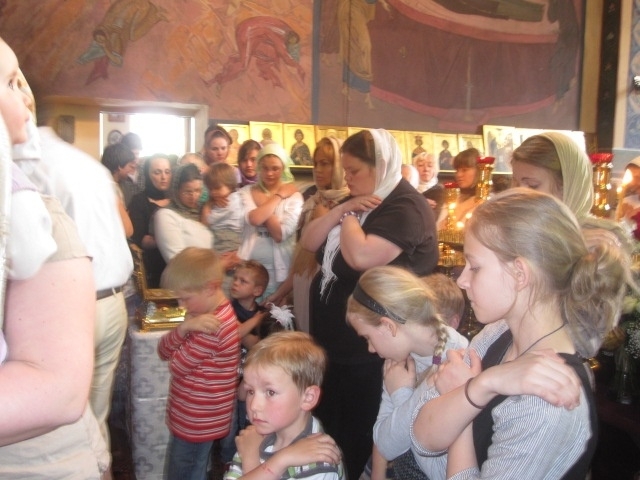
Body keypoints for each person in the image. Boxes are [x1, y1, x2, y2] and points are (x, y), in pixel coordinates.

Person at [411, 188, 632, 479]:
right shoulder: (498, 333)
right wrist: (482, 384)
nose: (462, 280)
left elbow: (432, 430)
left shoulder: (547, 403)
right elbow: (421, 436)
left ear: (520, 273)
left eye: (474, 267)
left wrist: (461, 404)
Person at [300, 128, 439, 479]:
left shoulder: (405, 206)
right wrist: (343, 208)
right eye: (345, 170)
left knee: (356, 430)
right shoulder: (361, 199)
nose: (347, 178)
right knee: (330, 423)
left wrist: (347, 216)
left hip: (369, 346)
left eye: (354, 171)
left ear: (381, 165)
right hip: (337, 342)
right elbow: (309, 240)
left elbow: (361, 257)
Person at [0, 38, 108, 477]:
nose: (25, 96)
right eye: (12, 82)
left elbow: (57, 390)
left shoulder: (26, 202)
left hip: (33, 460)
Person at [347, 266, 468, 480]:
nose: (370, 349)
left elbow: (440, 469)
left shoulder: (457, 362)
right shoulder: (398, 361)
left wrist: (401, 394)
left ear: (388, 326)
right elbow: (383, 442)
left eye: (368, 338)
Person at [158, 247, 240, 480]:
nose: (182, 305)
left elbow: (175, 366)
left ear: (210, 288)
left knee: (185, 471)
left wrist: (185, 328)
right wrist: (184, 328)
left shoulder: (213, 326)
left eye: (185, 298)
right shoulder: (202, 316)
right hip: (193, 415)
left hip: (198, 420)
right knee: (191, 467)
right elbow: (163, 351)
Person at [224, 331, 345, 480]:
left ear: (308, 398)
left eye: (270, 392)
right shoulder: (256, 435)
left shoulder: (319, 463)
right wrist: (281, 459)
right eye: (250, 391)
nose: (254, 406)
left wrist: (252, 459)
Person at [264, 136, 349, 333]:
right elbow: (301, 259)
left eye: (325, 163)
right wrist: (282, 291)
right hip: (304, 285)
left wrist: (323, 221)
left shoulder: (349, 205)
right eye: (316, 164)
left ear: (340, 166)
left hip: (330, 291)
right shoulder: (313, 202)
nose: (318, 170)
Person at [510, 132, 632, 250]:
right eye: (515, 182)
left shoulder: (602, 239)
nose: (518, 193)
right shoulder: (510, 227)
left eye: (532, 185)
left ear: (567, 187)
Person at [217, 260, 271, 471]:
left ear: (257, 290)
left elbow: (259, 345)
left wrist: (252, 324)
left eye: (243, 281)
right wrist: (254, 322)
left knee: (249, 419)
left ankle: (251, 458)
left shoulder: (263, 314)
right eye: (235, 279)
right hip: (227, 379)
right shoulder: (226, 309)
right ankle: (227, 461)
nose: (235, 283)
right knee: (229, 426)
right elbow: (236, 334)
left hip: (252, 381)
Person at [237, 143, 303, 299]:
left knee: (273, 310)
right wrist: (277, 197)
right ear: (258, 167)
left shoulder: (294, 196)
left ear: (283, 168)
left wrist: (264, 202)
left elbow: (280, 234)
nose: (269, 173)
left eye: (275, 168)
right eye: (265, 168)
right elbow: (254, 219)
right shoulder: (245, 192)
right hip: (248, 268)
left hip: (280, 270)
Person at [154, 163, 213, 263]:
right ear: (176, 191)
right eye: (187, 192)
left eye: (198, 190)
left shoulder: (204, 209)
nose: (193, 196)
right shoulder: (166, 216)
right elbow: (176, 260)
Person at [128, 153, 172, 288]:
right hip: (152, 266)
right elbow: (141, 239)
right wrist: (172, 238)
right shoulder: (139, 201)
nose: (163, 177)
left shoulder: (177, 198)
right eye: (157, 172)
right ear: (147, 175)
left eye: (167, 172)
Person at [202, 162, 244, 259]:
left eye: (217, 188)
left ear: (230, 184)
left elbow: (206, 222)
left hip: (227, 239)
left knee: (217, 263)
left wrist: (208, 206)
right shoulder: (235, 196)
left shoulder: (228, 202)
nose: (213, 192)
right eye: (210, 189)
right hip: (228, 237)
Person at [100, 142, 135, 236]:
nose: (132, 171)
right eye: (130, 166)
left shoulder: (118, 185)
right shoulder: (108, 189)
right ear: (120, 166)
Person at [414, 152, 445, 226]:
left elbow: (435, 217)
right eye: (421, 165)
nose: (426, 169)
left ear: (435, 169)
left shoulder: (442, 191)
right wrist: (421, 202)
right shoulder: (409, 189)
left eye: (430, 166)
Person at [451, 147, 481, 226]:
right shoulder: (452, 198)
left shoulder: (487, 202)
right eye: (457, 170)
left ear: (478, 171)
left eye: (464, 170)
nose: (458, 175)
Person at [119, 131, 144, 206]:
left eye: (137, 154)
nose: (135, 158)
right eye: (132, 154)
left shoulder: (145, 171)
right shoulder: (120, 173)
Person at [616, 156, 640, 222]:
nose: (633, 183)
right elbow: (616, 226)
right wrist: (623, 217)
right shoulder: (625, 202)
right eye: (631, 178)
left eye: (638, 178)